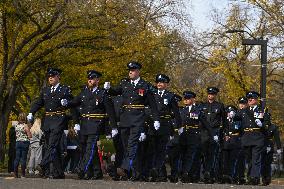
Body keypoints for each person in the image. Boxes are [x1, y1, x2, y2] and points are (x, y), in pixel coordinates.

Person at [104, 61, 160, 180]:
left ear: (138, 71)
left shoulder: (145, 85)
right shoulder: (125, 84)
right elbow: (115, 91)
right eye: (129, 70)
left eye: (133, 70)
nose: (130, 72)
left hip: (137, 119)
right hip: (125, 119)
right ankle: (133, 173)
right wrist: (108, 89)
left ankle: (125, 168)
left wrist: (156, 119)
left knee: (132, 145)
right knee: (126, 147)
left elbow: (152, 104)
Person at [61, 70, 117, 180]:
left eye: (92, 79)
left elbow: (110, 111)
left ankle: (83, 169)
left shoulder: (102, 93)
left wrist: (114, 127)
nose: (90, 80)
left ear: (97, 80)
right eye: (89, 79)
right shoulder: (84, 93)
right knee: (90, 150)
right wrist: (66, 103)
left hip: (98, 125)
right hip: (86, 125)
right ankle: (96, 173)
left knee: (98, 150)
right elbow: (74, 102)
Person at [27, 68, 73, 179]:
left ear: (58, 77)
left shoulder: (65, 89)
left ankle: (43, 164)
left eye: (52, 76)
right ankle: (59, 173)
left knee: (52, 144)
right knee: (52, 147)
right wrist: (31, 112)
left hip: (59, 119)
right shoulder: (45, 90)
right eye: (49, 76)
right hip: (47, 121)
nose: (50, 78)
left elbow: (74, 102)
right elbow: (39, 102)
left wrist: (67, 103)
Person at [147, 74, 182, 182]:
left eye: (161, 82)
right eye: (158, 82)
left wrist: (179, 126)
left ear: (166, 84)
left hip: (164, 125)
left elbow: (176, 112)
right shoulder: (151, 94)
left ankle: (156, 170)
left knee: (161, 150)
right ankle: (154, 171)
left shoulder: (170, 96)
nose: (159, 84)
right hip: (153, 124)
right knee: (152, 149)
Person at [235, 91, 267, 185]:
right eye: (248, 98)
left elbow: (267, 123)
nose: (249, 99)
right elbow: (236, 118)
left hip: (257, 136)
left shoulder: (262, 110)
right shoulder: (244, 110)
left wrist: (262, 124)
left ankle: (255, 178)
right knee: (249, 159)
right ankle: (250, 177)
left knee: (256, 158)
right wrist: (232, 115)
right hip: (246, 137)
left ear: (256, 99)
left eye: (252, 98)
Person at [200, 87, 227, 184]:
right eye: (209, 93)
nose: (210, 95)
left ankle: (209, 173)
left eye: (212, 94)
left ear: (215, 95)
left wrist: (225, 132)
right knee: (203, 154)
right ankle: (205, 172)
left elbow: (224, 121)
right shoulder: (202, 105)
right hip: (204, 133)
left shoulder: (219, 106)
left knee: (212, 154)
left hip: (215, 132)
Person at [179, 91, 203, 183]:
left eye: (188, 99)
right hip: (183, 136)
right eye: (185, 99)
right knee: (183, 155)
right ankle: (183, 172)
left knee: (190, 155)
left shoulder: (197, 110)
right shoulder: (182, 110)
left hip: (193, 136)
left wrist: (212, 134)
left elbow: (204, 123)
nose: (186, 100)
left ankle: (186, 173)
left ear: (193, 100)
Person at [221, 105, 242, 184]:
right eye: (229, 112)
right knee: (225, 160)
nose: (230, 113)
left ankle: (231, 176)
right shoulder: (224, 121)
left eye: (232, 112)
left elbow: (239, 130)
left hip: (235, 142)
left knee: (232, 160)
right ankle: (225, 176)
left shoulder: (238, 121)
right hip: (226, 143)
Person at [261, 113, 282, 186]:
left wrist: (279, 148)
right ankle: (263, 177)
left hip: (269, 145)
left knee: (267, 163)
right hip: (261, 144)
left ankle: (267, 178)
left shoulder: (273, 127)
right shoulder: (261, 126)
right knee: (262, 163)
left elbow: (277, 138)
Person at [14, 113, 32, 178]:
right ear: (25, 118)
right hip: (24, 143)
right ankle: (22, 174)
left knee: (17, 158)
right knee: (23, 159)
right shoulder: (25, 126)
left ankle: (15, 173)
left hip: (18, 142)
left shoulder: (16, 126)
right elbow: (29, 135)